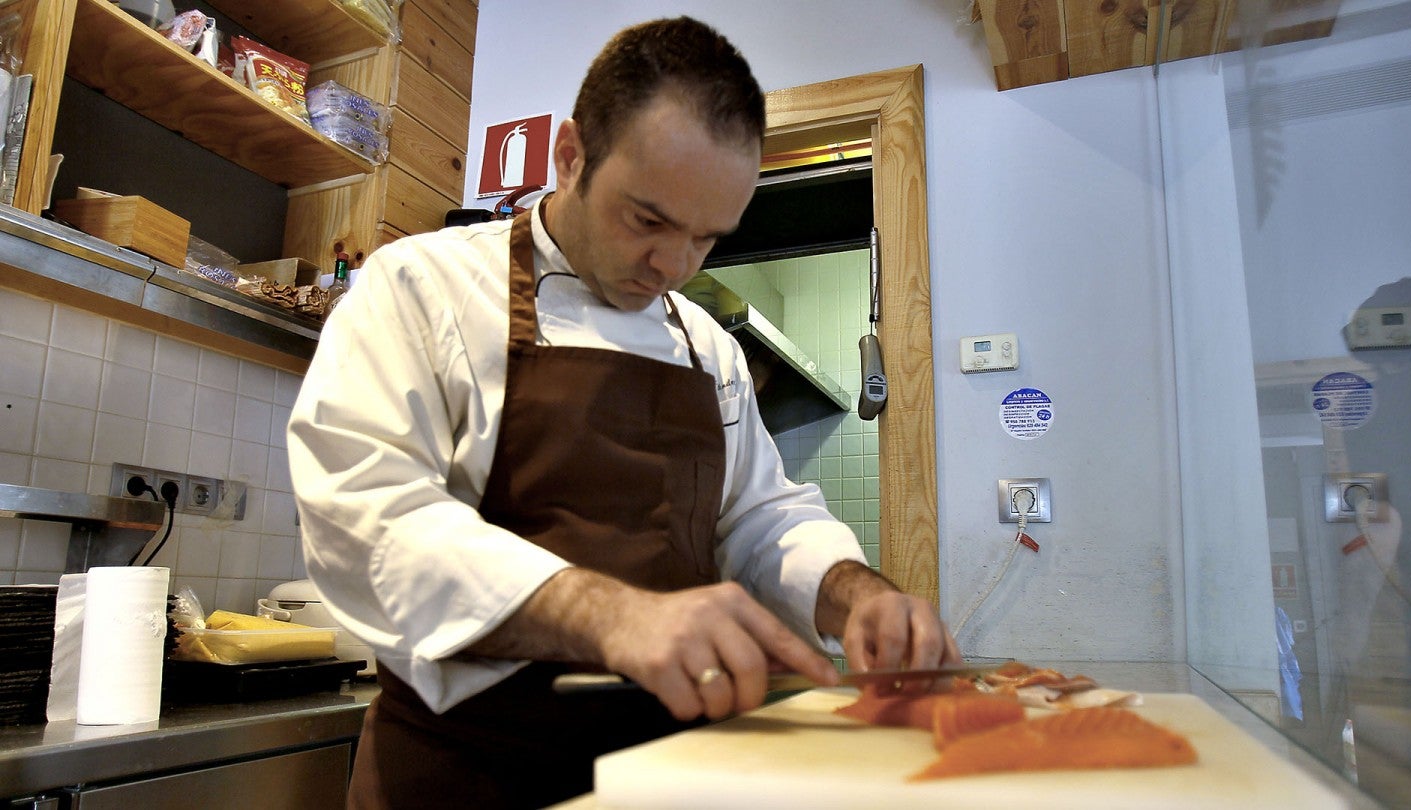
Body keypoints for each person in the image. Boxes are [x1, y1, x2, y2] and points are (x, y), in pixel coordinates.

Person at [288, 16, 959, 809]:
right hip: (463, 772)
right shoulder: (421, 287)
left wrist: (858, 595)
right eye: (648, 220)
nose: (674, 267)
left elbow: (761, 518)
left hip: (662, 777)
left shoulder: (706, 347)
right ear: (570, 156)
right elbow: (368, 520)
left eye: (707, 239)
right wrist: (607, 615)